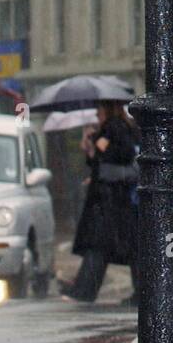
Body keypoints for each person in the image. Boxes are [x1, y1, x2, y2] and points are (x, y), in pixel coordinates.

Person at [60, 100, 139, 305]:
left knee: (101, 245)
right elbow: (100, 160)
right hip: (113, 199)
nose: (97, 115)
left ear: (107, 110)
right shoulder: (118, 127)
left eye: (99, 111)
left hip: (111, 200)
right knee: (123, 247)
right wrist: (91, 146)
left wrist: (96, 143)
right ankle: (85, 288)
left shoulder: (114, 128)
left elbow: (120, 154)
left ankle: (85, 289)